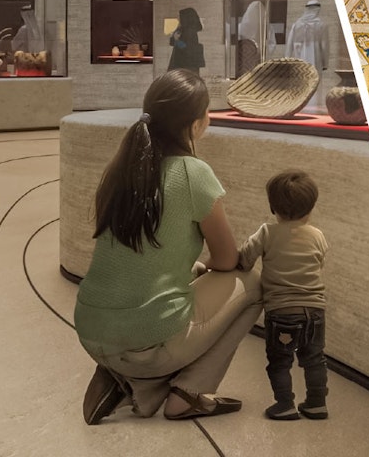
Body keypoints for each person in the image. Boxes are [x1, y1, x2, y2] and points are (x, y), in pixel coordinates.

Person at [75, 69, 262, 424]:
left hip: (89, 329)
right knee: (253, 283)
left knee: (188, 278)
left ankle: (128, 381)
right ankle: (187, 392)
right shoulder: (193, 172)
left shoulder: (121, 169)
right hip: (144, 343)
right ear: (196, 125)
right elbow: (227, 260)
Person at [238, 169, 329, 421]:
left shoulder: (267, 233)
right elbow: (318, 263)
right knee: (314, 359)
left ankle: (285, 405)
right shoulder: (317, 236)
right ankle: (316, 403)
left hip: (281, 312)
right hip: (315, 310)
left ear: (272, 207)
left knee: (280, 361)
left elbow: (245, 259)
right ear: (311, 208)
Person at [168, 7, 205, 73]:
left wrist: (177, 40)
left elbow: (186, 48)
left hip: (186, 64)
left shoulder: (189, 31)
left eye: (180, 17)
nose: (179, 19)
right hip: (185, 64)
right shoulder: (183, 29)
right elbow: (172, 42)